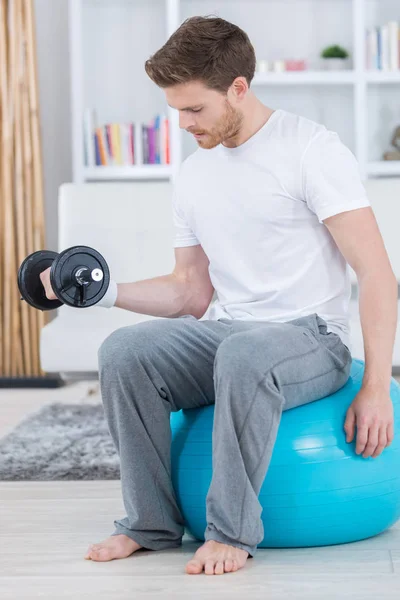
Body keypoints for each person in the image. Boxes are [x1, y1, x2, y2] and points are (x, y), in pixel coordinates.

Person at [41, 15, 397, 576]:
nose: (183, 124)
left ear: (238, 88)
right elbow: (190, 291)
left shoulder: (311, 150)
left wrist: (378, 385)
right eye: (175, 110)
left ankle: (231, 532)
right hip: (228, 335)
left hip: (310, 339)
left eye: (194, 109)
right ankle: (150, 524)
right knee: (123, 352)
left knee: (244, 352)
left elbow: (377, 274)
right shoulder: (194, 175)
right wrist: (101, 295)